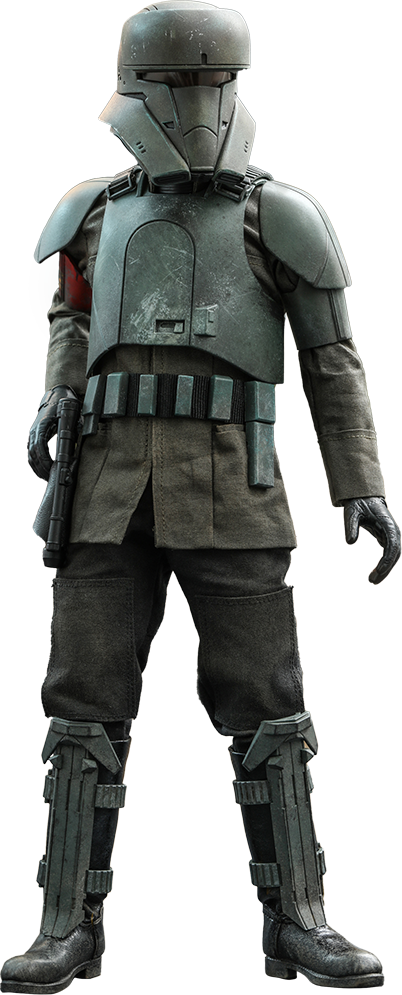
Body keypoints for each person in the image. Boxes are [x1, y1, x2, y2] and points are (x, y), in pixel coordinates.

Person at [1, 3, 400, 992]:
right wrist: (57, 395)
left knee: (269, 707)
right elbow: (70, 314)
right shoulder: (94, 210)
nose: (186, 102)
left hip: (233, 483)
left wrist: (360, 481)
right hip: (106, 488)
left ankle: (297, 918)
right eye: (169, 84)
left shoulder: (279, 215)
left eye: (200, 83)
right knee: (83, 707)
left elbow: (334, 360)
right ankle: (67, 923)